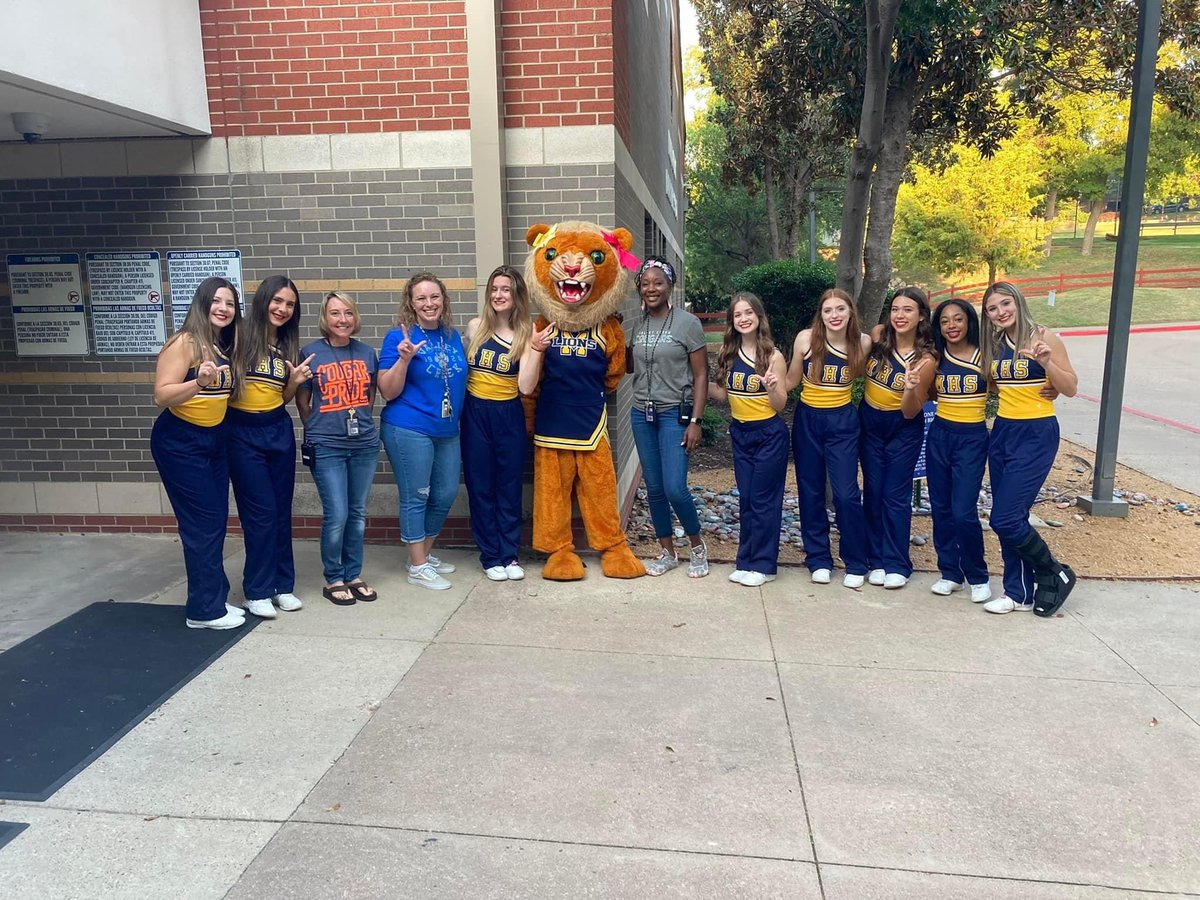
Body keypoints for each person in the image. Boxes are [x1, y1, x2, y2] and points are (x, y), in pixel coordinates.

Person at [150, 276, 243, 630]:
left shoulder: (221, 344)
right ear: (202, 305)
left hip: (214, 439)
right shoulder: (185, 342)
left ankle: (214, 597)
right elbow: (162, 395)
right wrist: (198, 382)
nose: (223, 308)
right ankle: (203, 611)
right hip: (180, 442)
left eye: (230, 304)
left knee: (215, 521)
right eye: (216, 302)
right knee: (201, 525)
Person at [981, 281, 1078, 616]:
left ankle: (1054, 572)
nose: (1000, 312)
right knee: (1013, 515)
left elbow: (1070, 387)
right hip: (1004, 430)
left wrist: (1048, 365)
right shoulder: (994, 343)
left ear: (1018, 302)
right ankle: (1017, 592)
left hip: (1037, 432)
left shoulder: (1044, 337)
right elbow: (996, 386)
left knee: (1005, 518)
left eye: (1005, 304)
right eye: (992, 308)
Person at [227, 275, 311, 619]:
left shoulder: (287, 344)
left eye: (290, 304)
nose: (282, 309)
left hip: (277, 428)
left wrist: (293, 383)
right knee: (259, 513)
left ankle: (282, 585)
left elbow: (282, 397)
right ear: (263, 300)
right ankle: (257, 589)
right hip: (241, 431)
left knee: (279, 510)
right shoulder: (239, 334)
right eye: (277, 301)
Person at [378, 272, 468, 591]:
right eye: (421, 298)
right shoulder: (397, 338)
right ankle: (418, 566)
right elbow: (387, 392)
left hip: (446, 429)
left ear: (443, 300)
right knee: (417, 496)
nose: (429, 303)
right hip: (409, 427)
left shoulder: (452, 335)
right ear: (411, 304)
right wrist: (403, 360)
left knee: (445, 494)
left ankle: (423, 556)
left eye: (434, 297)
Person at [626, 256, 709, 577]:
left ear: (669, 286)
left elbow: (701, 375)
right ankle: (667, 552)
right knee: (655, 487)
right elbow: (631, 367)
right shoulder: (638, 324)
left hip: (675, 412)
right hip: (640, 413)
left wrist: (696, 421)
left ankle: (698, 546)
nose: (651, 288)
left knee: (675, 487)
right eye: (645, 284)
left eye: (658, 282)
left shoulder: (687, 323)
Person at [296, 291, 381, 606]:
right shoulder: (311, 353)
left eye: (347, 313)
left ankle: (353, 574)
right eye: (334, 313)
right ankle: (334, 577)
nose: (342, 319)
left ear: (355, 317)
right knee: (338, 513)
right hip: (327, 446)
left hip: (364, 444)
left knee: (357, 513)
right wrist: (319, 427)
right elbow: (303, 401)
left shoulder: (366, 353)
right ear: (324, 318)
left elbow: (370, 394)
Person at [784, 288, 871, 587]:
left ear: (850, 312)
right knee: (811, 492)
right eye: (827, 310)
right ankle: (818, 559)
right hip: (808, 419)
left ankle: (856, 561)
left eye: (840, 309)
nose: (834, 315)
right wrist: (766, 383)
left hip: (843, 421)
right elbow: (792, 380)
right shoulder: (805, 339)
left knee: (846, 493)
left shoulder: (862, 343)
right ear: (820, 315)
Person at [707, 292, 789, 588]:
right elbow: (725, 396)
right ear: (732, 321)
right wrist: (697, 382)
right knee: (747, 499)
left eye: (748, 313)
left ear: (758, 317)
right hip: (740, 433)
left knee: (763, 499)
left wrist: (771, 387)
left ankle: (765, 565)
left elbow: (780, 404)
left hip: (769, 433)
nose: (743, 319)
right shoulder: (728, 354)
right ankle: (746, 561)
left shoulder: (772, 356)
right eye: (737, 315)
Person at [860, 286, 937, 589]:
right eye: (895, 309)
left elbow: (910, 411)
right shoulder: (879, 335)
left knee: (895, 494)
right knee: (873, 490)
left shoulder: (926, 359)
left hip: (902, 426)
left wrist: (909, 387)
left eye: (908, 310)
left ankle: (896, 562)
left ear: (921, 316)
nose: (900, 315)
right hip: (869, 420)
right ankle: (874, 559)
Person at [461, 265, 532, 581]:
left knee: (508, 485)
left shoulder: (526, 333)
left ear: (517, 296)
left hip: (508, 414)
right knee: (480, 486)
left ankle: (509, 554)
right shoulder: (475, 327)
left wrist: (538, 351)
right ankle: (490, 555)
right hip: (475, 412)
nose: (499, 295)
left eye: (506, 289)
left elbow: (527, 386)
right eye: (495, 289)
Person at [926, 299, 992, 603]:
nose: (952, 326)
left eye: (958, 319)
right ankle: (949, 572)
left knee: (963, 511)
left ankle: (978, 576)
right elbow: (926, 392)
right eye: (945, 321)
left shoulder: (986, 357)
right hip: (940, 434)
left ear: (969, 322)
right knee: (940, 508)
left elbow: (1008, 386)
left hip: (972, 437)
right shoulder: (936, 358)